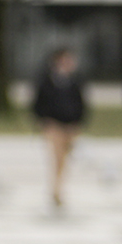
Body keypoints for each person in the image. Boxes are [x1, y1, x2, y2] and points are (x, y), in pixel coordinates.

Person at [32, 48, 87, 208]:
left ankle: (59, 187)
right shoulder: (47, 80)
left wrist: (78, 121)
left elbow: (81, 103)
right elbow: (39, 102)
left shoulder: (75, 81)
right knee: (57, 157)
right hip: (54, 125)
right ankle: (56, 189)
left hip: (70, 126)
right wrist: (43, 120)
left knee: (65, 159)